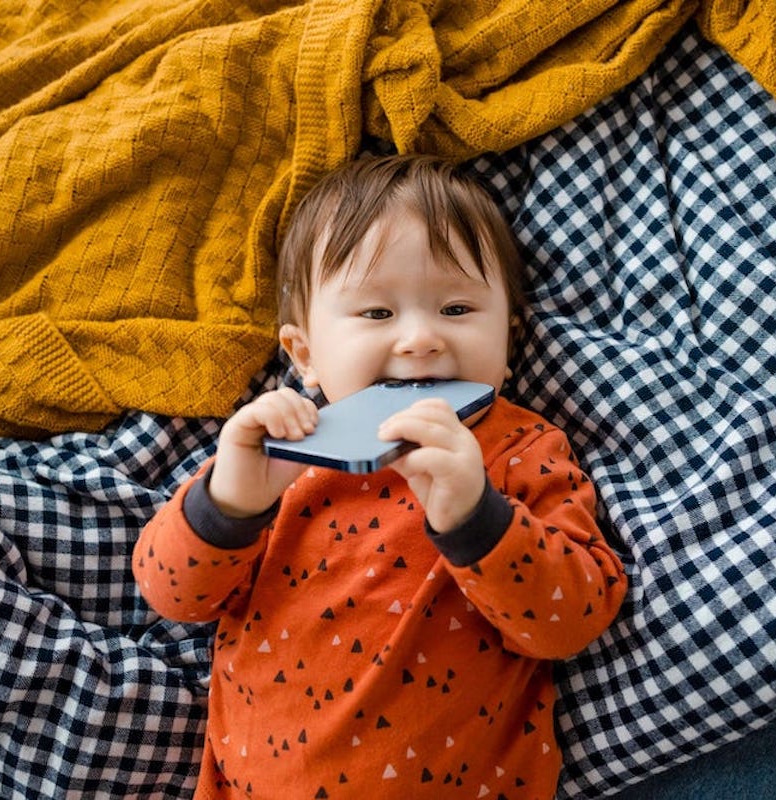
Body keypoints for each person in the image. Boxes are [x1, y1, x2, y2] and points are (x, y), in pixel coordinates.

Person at [133, 154, 628, 799]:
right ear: (304, 354)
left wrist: (476, 519)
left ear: (509, 342)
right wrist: (229, 504)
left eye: (456, 308)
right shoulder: (277, 451)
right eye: (375, 314)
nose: (420, 338)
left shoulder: (520, 449)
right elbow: (174, 597)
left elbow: (572, 622)